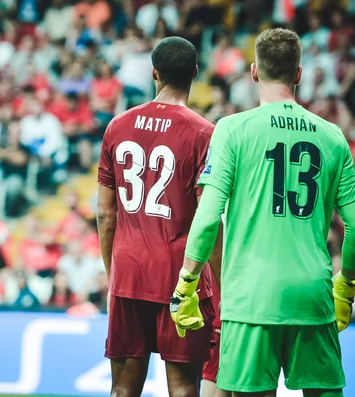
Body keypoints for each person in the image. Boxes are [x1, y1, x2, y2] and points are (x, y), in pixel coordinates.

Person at [170, 28, 355, 397]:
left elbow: (209, 216)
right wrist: (345, 288)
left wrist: (187, 283)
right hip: (313, 297)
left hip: (250, 299)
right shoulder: (332, 136)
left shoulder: (231, 130)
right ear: (298, 73)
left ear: (254, 72)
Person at [97, 36, 221, 397]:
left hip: (129, 270)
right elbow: (209, 218)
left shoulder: (117, 126)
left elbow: (106, 214)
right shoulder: (203, 133)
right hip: (181, 276)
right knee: (183, 389)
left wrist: (113, 276)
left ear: (154, 72)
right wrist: (222, 289)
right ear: (195, 73)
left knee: (122, 389)